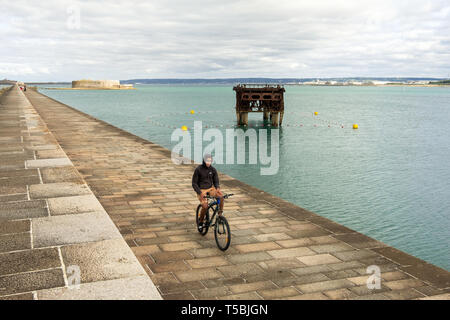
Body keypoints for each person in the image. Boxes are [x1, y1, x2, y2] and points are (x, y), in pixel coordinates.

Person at [192, 154, 224, 228]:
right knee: (205, 206)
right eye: (207, 161)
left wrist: (217, 188)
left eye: (210, 161)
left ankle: (220, 216)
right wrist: (199, 193)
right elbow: (194, 183)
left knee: (221, 197)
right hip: (201, 190)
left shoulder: (213, 170)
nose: (208, 163)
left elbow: (216, 181)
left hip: (210, 188)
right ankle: (201, 221)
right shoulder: (198, 169)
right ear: (204, 161)